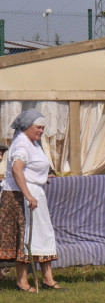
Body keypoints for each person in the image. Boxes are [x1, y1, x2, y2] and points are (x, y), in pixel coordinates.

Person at [0, 109, 61, 292]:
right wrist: (28, 194)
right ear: (27, 127)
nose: (42, 131)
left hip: (32, 193)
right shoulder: (21, 144)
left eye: (43, 127)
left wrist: (41, 177)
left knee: (42, 235)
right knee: (25, 237)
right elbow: (17, 170)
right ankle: (22, 282)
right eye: (39, 127)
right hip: (20, 196)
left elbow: (30, 169)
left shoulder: (33, 143)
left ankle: (48, 279)